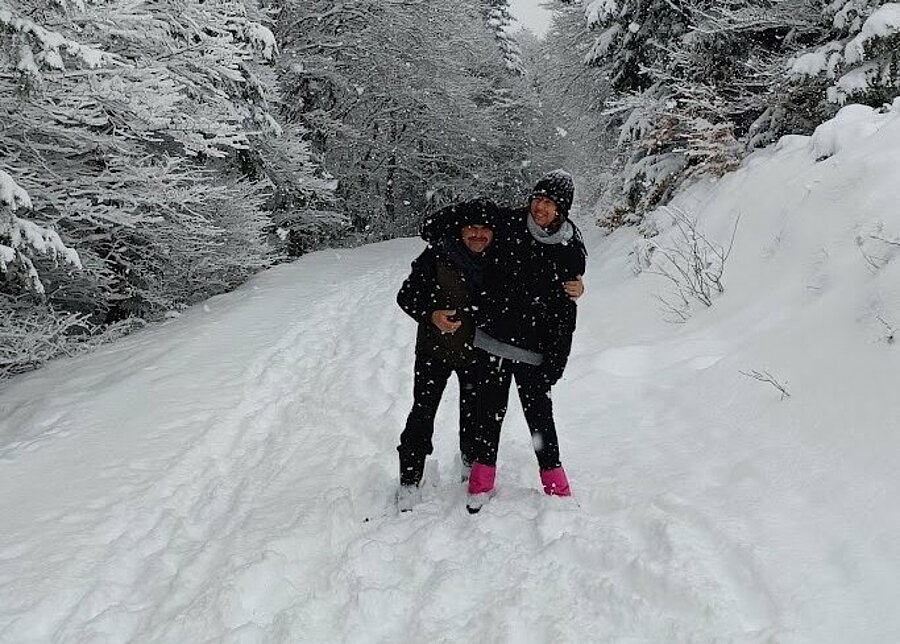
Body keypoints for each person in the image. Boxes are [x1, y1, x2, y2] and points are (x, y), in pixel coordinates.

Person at [422, 169, 587, 513]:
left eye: (549, 203)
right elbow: (464, 220)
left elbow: (564, 314)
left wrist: (558, 359)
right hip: (492, 341)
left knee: (541, 419)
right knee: (488, 414)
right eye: (537, 199)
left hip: (535, 352)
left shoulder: (571, 249)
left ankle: (555, 483)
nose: (539, 207)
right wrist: (438, 228)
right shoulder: (509, 223)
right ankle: (481, 483)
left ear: (562, 210)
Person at [395, 198, 501, 512]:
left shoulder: (500, 260)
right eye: (472, 227)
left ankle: (470, 462)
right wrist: (431, 314)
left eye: (485, 228)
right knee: (422, 414)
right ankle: (409, 479)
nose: (478, 234)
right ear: (460, 229)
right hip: (434, 351)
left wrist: (571, 282)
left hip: (478, 352)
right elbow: (407, 295)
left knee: (475, 414)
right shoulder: (438, 255)